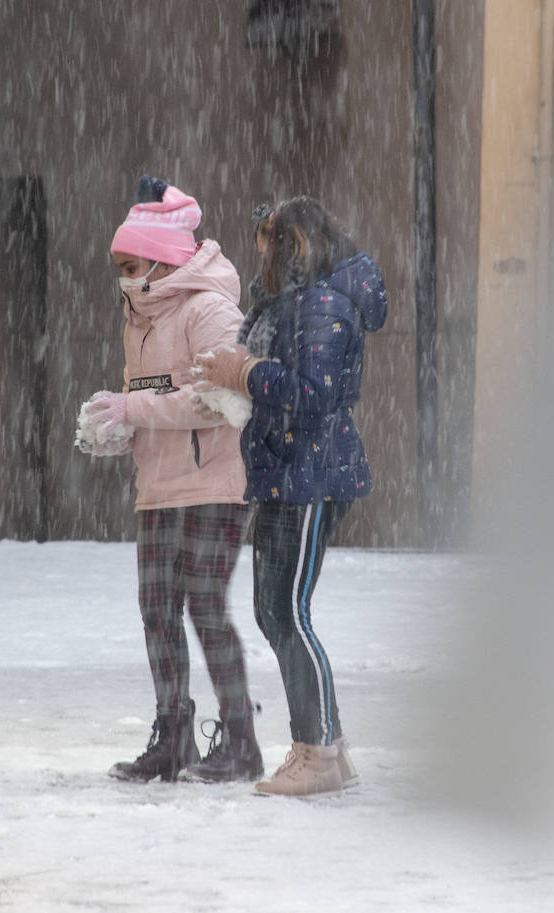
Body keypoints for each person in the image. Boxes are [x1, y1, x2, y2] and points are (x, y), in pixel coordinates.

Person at [193, 196, 388, 797]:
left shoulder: (322, 303)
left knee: (287, 612)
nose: (261, 258)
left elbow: (314, 394)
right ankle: (325, 745)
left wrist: (244, 374)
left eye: (266, 245)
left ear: (291, 247)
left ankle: (319, 749)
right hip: (288, 471)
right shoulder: (292, 302)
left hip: (311, 476)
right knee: (275, 611)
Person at [78, 175, 263, 783]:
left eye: (132, 264)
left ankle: (241, 740)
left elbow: (218, 398)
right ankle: (172, 734)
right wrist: (118, 422)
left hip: (215, 483)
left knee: (205, 606)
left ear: (161, 260)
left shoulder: (210, 309)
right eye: (118, 266)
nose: (123, 277)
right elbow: (154, 393)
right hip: (158, 486)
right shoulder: (140, 316)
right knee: (157, 608)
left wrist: (136, 409)